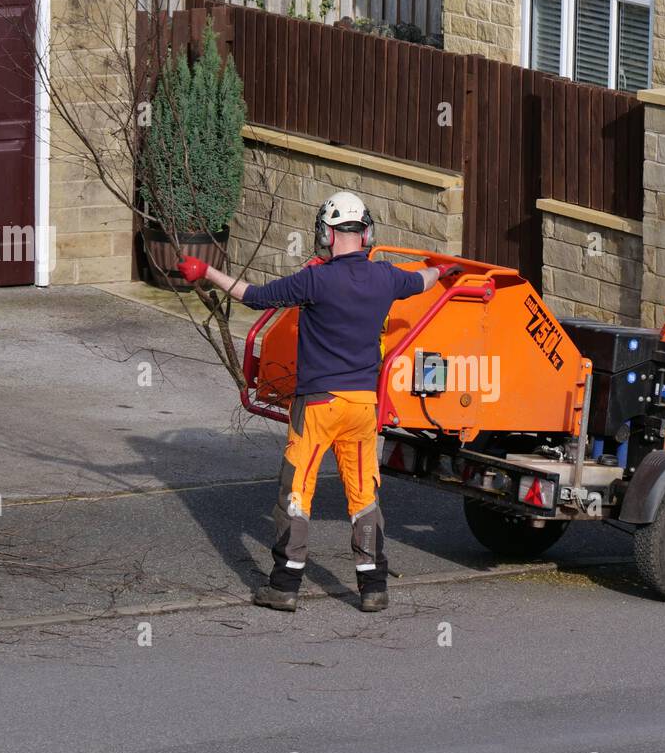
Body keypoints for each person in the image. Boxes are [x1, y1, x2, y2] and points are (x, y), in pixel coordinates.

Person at [177, 192, 459, 612]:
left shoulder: (315, 280)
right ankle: (374, 587)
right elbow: (426, 280)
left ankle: (286, 585)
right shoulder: (387, 277)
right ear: (366, 234)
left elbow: (253, 295)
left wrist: (207, 272)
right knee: (363, 494)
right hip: (364, 407)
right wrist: (442, 269)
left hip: (317, 405)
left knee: (297, 491)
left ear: (327, 234)